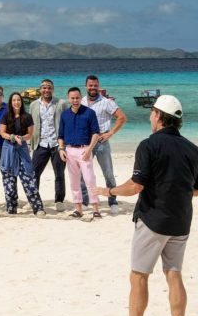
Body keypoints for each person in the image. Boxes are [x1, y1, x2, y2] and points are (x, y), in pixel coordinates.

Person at [98, 95, 198, 316]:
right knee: (174, 274)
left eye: (152, 113)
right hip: (181, 221)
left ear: (158, 116)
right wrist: (175, 191)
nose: (150, 117)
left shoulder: (149, 145)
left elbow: (135, 186)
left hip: (153, 221)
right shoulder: (194, 150)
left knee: (138, 276)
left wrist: (109, 190)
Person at [81, 75, 127, 216]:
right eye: (90, 85)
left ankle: (112, 201)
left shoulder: (107, 102)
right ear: (86, 86)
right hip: (86, 142)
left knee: (108, 173)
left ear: (98, 86)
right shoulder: (81, 101)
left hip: (101, 142)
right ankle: (85, 200)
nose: (93, 88)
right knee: (83, 173)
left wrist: (111, 133)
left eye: (95, 85)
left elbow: (122, 117)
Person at [0, 92, 44, 215]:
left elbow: (30, 134)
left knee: (29, 179)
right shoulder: (5, 116)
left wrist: (21, 138)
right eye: (14, 100)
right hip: (8, 150)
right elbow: (3, 133)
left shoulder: (27, 117)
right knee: (9, 182)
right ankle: (11, 209)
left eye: (18, 100)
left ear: (21, 102)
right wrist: (12, 137)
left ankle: (38, 208)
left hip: (22, 150)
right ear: (10, 103)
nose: (16, 102)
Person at [58, 87, 101, 219]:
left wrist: (89, 149)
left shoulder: (89, 113)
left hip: (85, 150)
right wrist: (61, 149)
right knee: (74, 182)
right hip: (69, 151)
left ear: (81, 98)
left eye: (77, 98)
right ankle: (78, 209)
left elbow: (96, 133)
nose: (75, 100)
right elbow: (60, 135)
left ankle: (95, 209)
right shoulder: (64, 115)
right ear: (68, 99)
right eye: (72, 98)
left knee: (90, 180)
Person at [30, 79, 66, 213]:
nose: (46, 90)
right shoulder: (34, 104)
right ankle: (34, 199)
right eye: (44, 88)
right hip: (40, 144)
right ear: (40, 89)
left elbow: (66, 122)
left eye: (49, 87)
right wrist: (29, 142)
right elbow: (30, 124)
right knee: (34, 173)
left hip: (57, 144)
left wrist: (65, 144)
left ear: (53, 89)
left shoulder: (61, 103)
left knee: (59, 173)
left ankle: (59, 200)